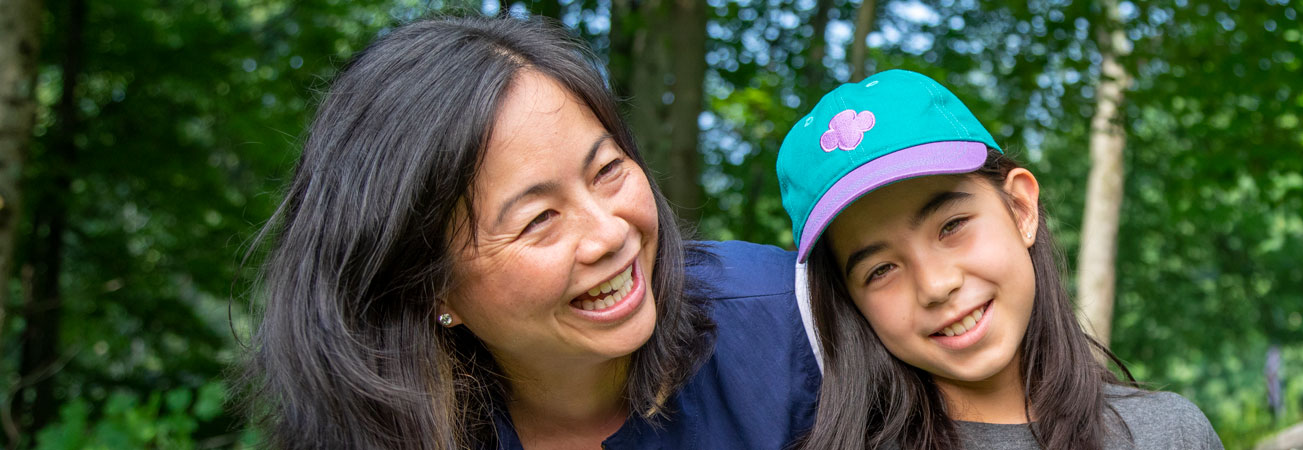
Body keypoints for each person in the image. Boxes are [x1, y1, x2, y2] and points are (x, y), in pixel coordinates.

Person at [242, 17, 816, 449]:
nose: (609, 234)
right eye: (539, 219)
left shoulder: (796, 328)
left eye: (608, 170)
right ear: (427, 287)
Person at [776, 69, 1224, 449]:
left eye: (951, 226)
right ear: (849, 301)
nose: (936, 285)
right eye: (880, 270)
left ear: (1020, 208)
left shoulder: (1168, 434)